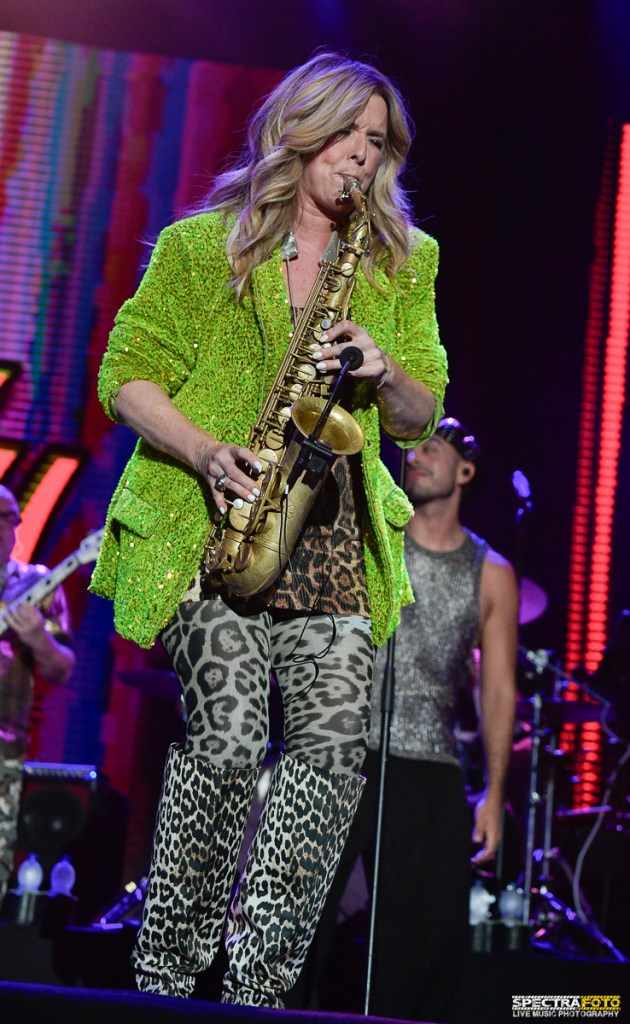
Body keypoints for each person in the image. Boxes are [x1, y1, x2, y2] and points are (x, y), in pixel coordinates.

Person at [90, 51, 448, 1008]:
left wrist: (383, 369)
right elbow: (125, 375)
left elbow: (421, 413)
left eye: (377, 142)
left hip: (331, 546)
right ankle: (168, 976)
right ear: (299, 131)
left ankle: (259, 990)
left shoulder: (402, 263)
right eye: (346, 135)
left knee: (329, 760)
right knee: (228, 739)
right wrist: (207, 452)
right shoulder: (203, 246)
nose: (361, 156)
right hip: (213, 532)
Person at [300, 417, 519, 1023]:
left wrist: (494, 793)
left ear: (465, 471)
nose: (415, 457)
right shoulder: (370, 533)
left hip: (428, 765)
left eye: (432, 448)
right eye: (411, 449)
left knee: (418, 943)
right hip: (338, 749)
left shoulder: (492, 573)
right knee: (298, 921)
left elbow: (499, 691)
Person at [0, 485, 75, 907]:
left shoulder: (38, 584)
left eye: (5, 516)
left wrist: (37, 639)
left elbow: (62, 668)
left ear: (16, 525)